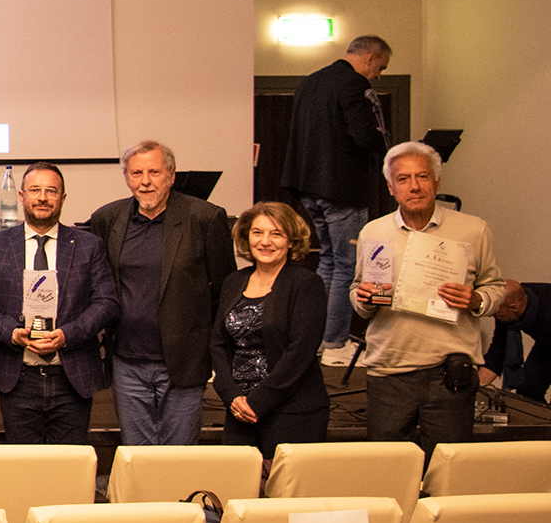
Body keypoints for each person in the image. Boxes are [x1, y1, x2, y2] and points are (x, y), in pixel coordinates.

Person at [351, 142, 504, 453]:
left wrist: (475, 300)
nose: (414, 186)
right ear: (391, 188)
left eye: (422, 176)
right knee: (389, 466)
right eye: (403, 179)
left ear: (437, 182)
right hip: (389, 371)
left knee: (447, 467)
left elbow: (496, 289)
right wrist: (363, 298)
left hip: (449, 374)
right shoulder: (373, 232)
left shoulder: (473, 230)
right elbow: (358, 293)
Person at [88, 141, 236, 446]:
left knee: (179, 456)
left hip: (183, 362)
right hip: (126, 361)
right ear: (126, 177)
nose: (145, 181)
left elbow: (225, 291)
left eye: (154, 172)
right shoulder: (107, 218)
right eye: (136, 173)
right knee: (137, 455)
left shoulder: (205, 218)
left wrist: (214, 350)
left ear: (171, 175)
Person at [0, 163, 119, 445]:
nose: (42, 198)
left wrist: (68, 335)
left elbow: (107, 302)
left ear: (62, 198)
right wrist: (11, 333)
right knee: (23, 465)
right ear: (21, 196)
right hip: (18, 376)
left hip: (71, 375)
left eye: (51, 191)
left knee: (71, 464)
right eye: (35, 190)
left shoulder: (89, 245)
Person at [279, 36, 394, 361]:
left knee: (328, 261)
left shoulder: (310, 82)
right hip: (342, 188)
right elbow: (362, 135)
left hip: (309, 185)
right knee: (347, 264)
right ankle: (335, 342)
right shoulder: (354, 85)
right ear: (370, 58)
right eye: (381, 67)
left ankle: (319, 339)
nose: (378, 76)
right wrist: (390, 150)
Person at [209, 203, 330, 460]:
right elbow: (218, 344)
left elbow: (300, 352)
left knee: (285, 486)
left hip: (292, 412)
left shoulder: (306, 284)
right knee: (238, 482)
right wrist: (232, 397)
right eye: (257, 232)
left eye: (276, 234)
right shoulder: (233, 282)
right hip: (239, 411)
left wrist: (257, 402)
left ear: (291, 241)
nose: (265, 241)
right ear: (246, 237)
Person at [486, 280, 548, 400]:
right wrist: (477, 386)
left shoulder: (546, 309)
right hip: (544, 342)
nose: (491, 315)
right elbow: (499, 349)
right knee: (527, 390)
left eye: (496, 313)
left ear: (515, 307)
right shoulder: (506, 305)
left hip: (548, 334)